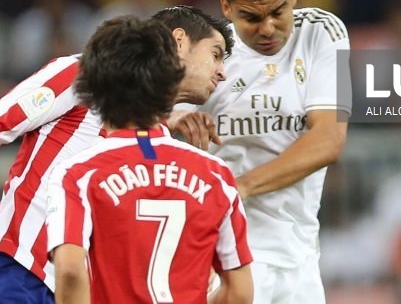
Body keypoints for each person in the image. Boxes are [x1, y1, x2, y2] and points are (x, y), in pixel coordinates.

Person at [0, 5, 233, 303]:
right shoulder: (82, 76)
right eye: (216, 54)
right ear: (179, 41)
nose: (222, 71)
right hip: (14, 270)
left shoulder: (161, 144)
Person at [176, 0, 351, 304]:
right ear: (226, 7)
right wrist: (172, 117)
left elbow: (328, 140)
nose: (268, 28)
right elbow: (145, 112)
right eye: (251, 18)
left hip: (300, 258)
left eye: (278, 12)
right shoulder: (204, 48)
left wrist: (240, 187)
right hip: (223, 257)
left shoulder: (320, 33)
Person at [46, 16, 253, 304]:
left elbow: (69, 271)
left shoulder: (77, 175)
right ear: (170, 86)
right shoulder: (216, 175)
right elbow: (240, 292)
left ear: (93, 91)